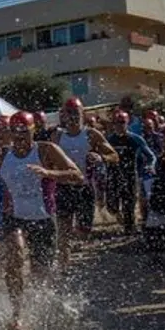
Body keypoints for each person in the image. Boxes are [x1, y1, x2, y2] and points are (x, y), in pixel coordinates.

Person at [0, 111, 85, 330]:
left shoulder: (46, 149)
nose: (19, 136)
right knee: (14, 255)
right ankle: (16, 313)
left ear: (33, 131)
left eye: (24, 131)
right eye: (15, 132)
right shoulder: (2, 155)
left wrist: (48, 172)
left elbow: (77, 175)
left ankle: (41, 307)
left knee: (41, 275)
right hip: (14, 217)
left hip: (42, 218)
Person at [49, 98, 115, 264]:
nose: (73, 117)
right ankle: (64, 266)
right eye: (69, 113)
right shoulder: (57, 136)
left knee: (84, 232)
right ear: (63, 115)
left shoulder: (91, 134)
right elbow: (47, 159)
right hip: (63, 187)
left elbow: (115, 155)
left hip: (84, 188)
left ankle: (70, 241)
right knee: (63, 230)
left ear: (82, 114)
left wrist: (101, 157)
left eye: (76, 113)